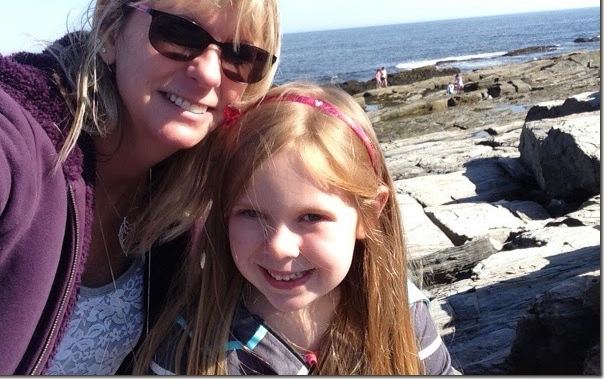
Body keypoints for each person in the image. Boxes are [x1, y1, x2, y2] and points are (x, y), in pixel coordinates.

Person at [0, 0, 280, 375]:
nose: (209, 73)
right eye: (178, 34)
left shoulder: (190, 198)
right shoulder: (13, 141)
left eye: (241, 56)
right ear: (111, 27)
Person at [136, 82, 458, 375]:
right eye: (251, 213)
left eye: (311, 217)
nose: (278, 246)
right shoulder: (190, 349)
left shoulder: (401, 316)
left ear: (369, 215)